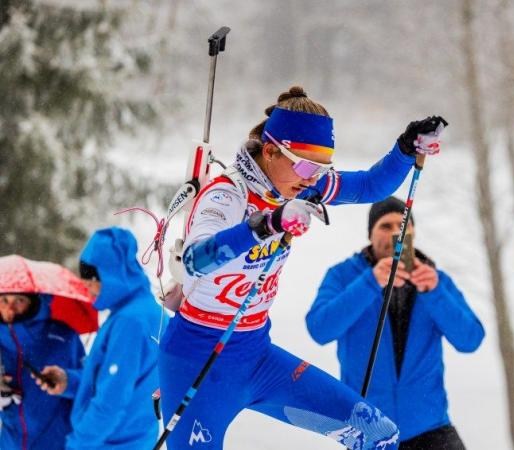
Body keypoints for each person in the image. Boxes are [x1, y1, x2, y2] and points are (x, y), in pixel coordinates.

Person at [158, 85, 447, 449]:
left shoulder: (299, 186)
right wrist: (268, 224)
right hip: (196, 359)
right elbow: (195, 262)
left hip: (256, 355)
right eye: (307, 166)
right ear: (270, 151)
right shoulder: (225, 194)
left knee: (376, 433)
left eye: (322, 168)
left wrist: (406, 148)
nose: (313, 178)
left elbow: (371, 186)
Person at [306, 196, 485, 450]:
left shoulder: (434, 279)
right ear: (371, 234)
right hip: (370, 431)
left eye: (403, 226)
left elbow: (470, 340)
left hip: (431, 428)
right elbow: (319, 329)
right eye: (385, 226)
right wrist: (370, 283)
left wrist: (435, 293)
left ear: (412, 231)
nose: (395, 233)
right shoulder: (344, 275)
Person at [35, 227, 165, 450]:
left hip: (111, 443)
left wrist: (78, 445)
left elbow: (111, 401)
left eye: (92, 278)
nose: (86, 286)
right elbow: (117, 382)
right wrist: (70, 381)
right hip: (132, 440)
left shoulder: (130, 322)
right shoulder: (146, 311)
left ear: (112, 274)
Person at [0, 293, 84, 450]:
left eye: (19, 300)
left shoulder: (63, 336)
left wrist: (68, 381)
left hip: (57, 442)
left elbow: (92, 386)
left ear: (33, 302)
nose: (10, 308)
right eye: (4, 300)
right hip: (10, 444)